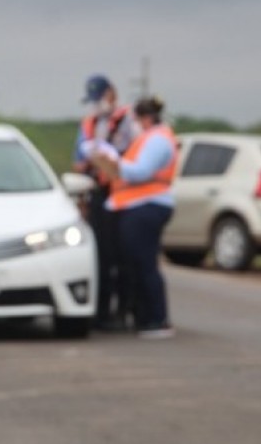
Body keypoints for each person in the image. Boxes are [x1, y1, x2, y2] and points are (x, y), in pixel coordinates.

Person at [90, 96, 177, 339]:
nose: (134, 124)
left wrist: (113, 162)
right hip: (137, 206)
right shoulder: (150, 137)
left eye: (136, 119)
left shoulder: (158, 139)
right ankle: (146, 317)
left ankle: (157, 319)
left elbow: (140, 172)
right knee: (137, 263)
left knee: (144, 263)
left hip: (147, 206)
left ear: (145, 118)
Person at [73, 74, 135, 331]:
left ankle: (125, 310)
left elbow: (132, 160)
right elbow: (77, 163)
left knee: (124, 257)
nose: (97, 105)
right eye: (93, 101)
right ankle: (101, 312)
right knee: (101, 257)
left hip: (123, 196)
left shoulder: (129, 121)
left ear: (112, 94)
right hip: (98, 195)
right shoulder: (89, 124)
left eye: (99, 99)